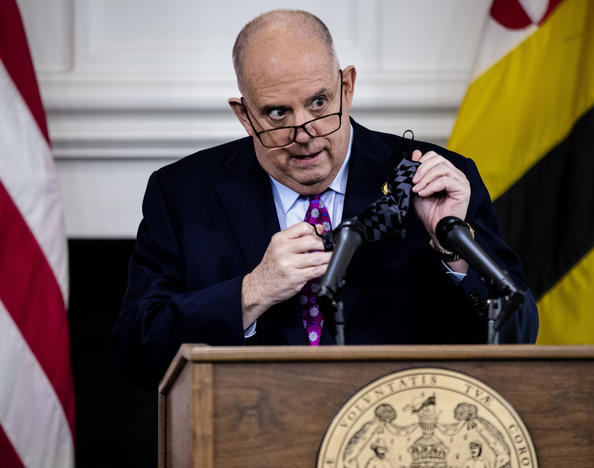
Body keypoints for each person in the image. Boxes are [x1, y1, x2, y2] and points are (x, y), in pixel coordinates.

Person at [110, 9, 538, 382]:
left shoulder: (432, 177)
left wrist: (454, 253)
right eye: (278, 113)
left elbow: (520, 335)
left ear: (346, 87)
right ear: (244, 115)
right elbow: (135, 351)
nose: (304, 133)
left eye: (319, 103)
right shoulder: (183, 192)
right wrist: (251, 293)